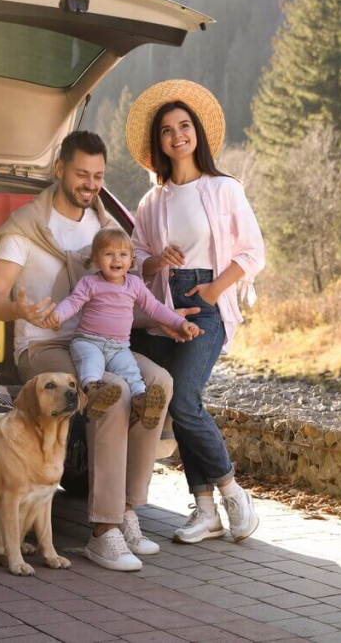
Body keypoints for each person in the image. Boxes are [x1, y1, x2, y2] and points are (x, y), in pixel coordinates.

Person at [0, 131, 197, 572]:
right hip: (44, 347)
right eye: (82, 173)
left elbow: (117, 304)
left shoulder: (104, 232)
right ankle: (102, 531)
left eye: (98, 176)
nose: (90, 184)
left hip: (102, 342)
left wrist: (164, 322)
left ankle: (128, 510)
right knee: (114, 392)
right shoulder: (25, 228)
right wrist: (20, 309)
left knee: (158, 382)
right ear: (59, 169)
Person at [126, 80, 266, 544]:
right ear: (158, 143)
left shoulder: (224, 189)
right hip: (165, 307)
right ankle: (204, 509)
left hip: (205, 303)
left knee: (184, 401)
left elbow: (252, 253)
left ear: (197, 134)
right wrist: (155, 262)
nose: (177, 135)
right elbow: (136, 258)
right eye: (167, 130)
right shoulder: (152, 200)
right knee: (178, 404)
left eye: (184, 126)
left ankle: (232, 493)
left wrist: (210, 292)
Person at [40, 227, 200, 429]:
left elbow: (156, 308)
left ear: (131, 260)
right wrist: (58, 315)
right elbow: (73, 302)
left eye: (123, 255)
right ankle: (95, 393)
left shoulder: (135, 284)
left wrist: (180, 323)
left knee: (132, 374)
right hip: (88, 341)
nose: (116, 260)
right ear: (97, 260)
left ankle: (142, 402)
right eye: (108, 254)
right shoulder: (90, 283)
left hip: (119, 348)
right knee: (91, 365)